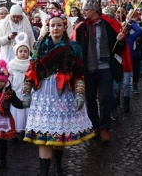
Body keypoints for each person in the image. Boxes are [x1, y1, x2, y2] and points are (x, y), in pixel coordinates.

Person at [23, 10, 94, 175]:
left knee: (59, 133)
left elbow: (78, 74)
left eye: (59, 25)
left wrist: (79, 93)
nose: (55, 28)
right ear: (48, 26)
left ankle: (58, 166)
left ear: (64, 27)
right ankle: (44, 172)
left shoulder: (74, 47)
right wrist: (26, 92)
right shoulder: (40, 45)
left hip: (63, 94)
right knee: (43, 134)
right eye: (52, 25)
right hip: (43, 95)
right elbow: (31, 71)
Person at [71, 0, 126, 145]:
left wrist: (121, 40)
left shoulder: (108, 24)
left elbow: (118, 46)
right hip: (88, 70)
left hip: (105, 69)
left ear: (95, 10)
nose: (84, 12)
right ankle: (94, 126)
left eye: (86, 9)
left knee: (105, 97)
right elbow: (75, 47)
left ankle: (104, 128)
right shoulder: (81, 27)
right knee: (90, 99)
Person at [8, 32, 31, 139]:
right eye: (20, 51)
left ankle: (28, 129)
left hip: (28, 92)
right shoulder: (12, 64)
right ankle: (16, 129)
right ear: (16, 53)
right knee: (17, 111)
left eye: (25, 51)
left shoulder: (31, 64)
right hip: (16, 92)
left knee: (27, 110)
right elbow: (9, 78)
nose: (23, 53)